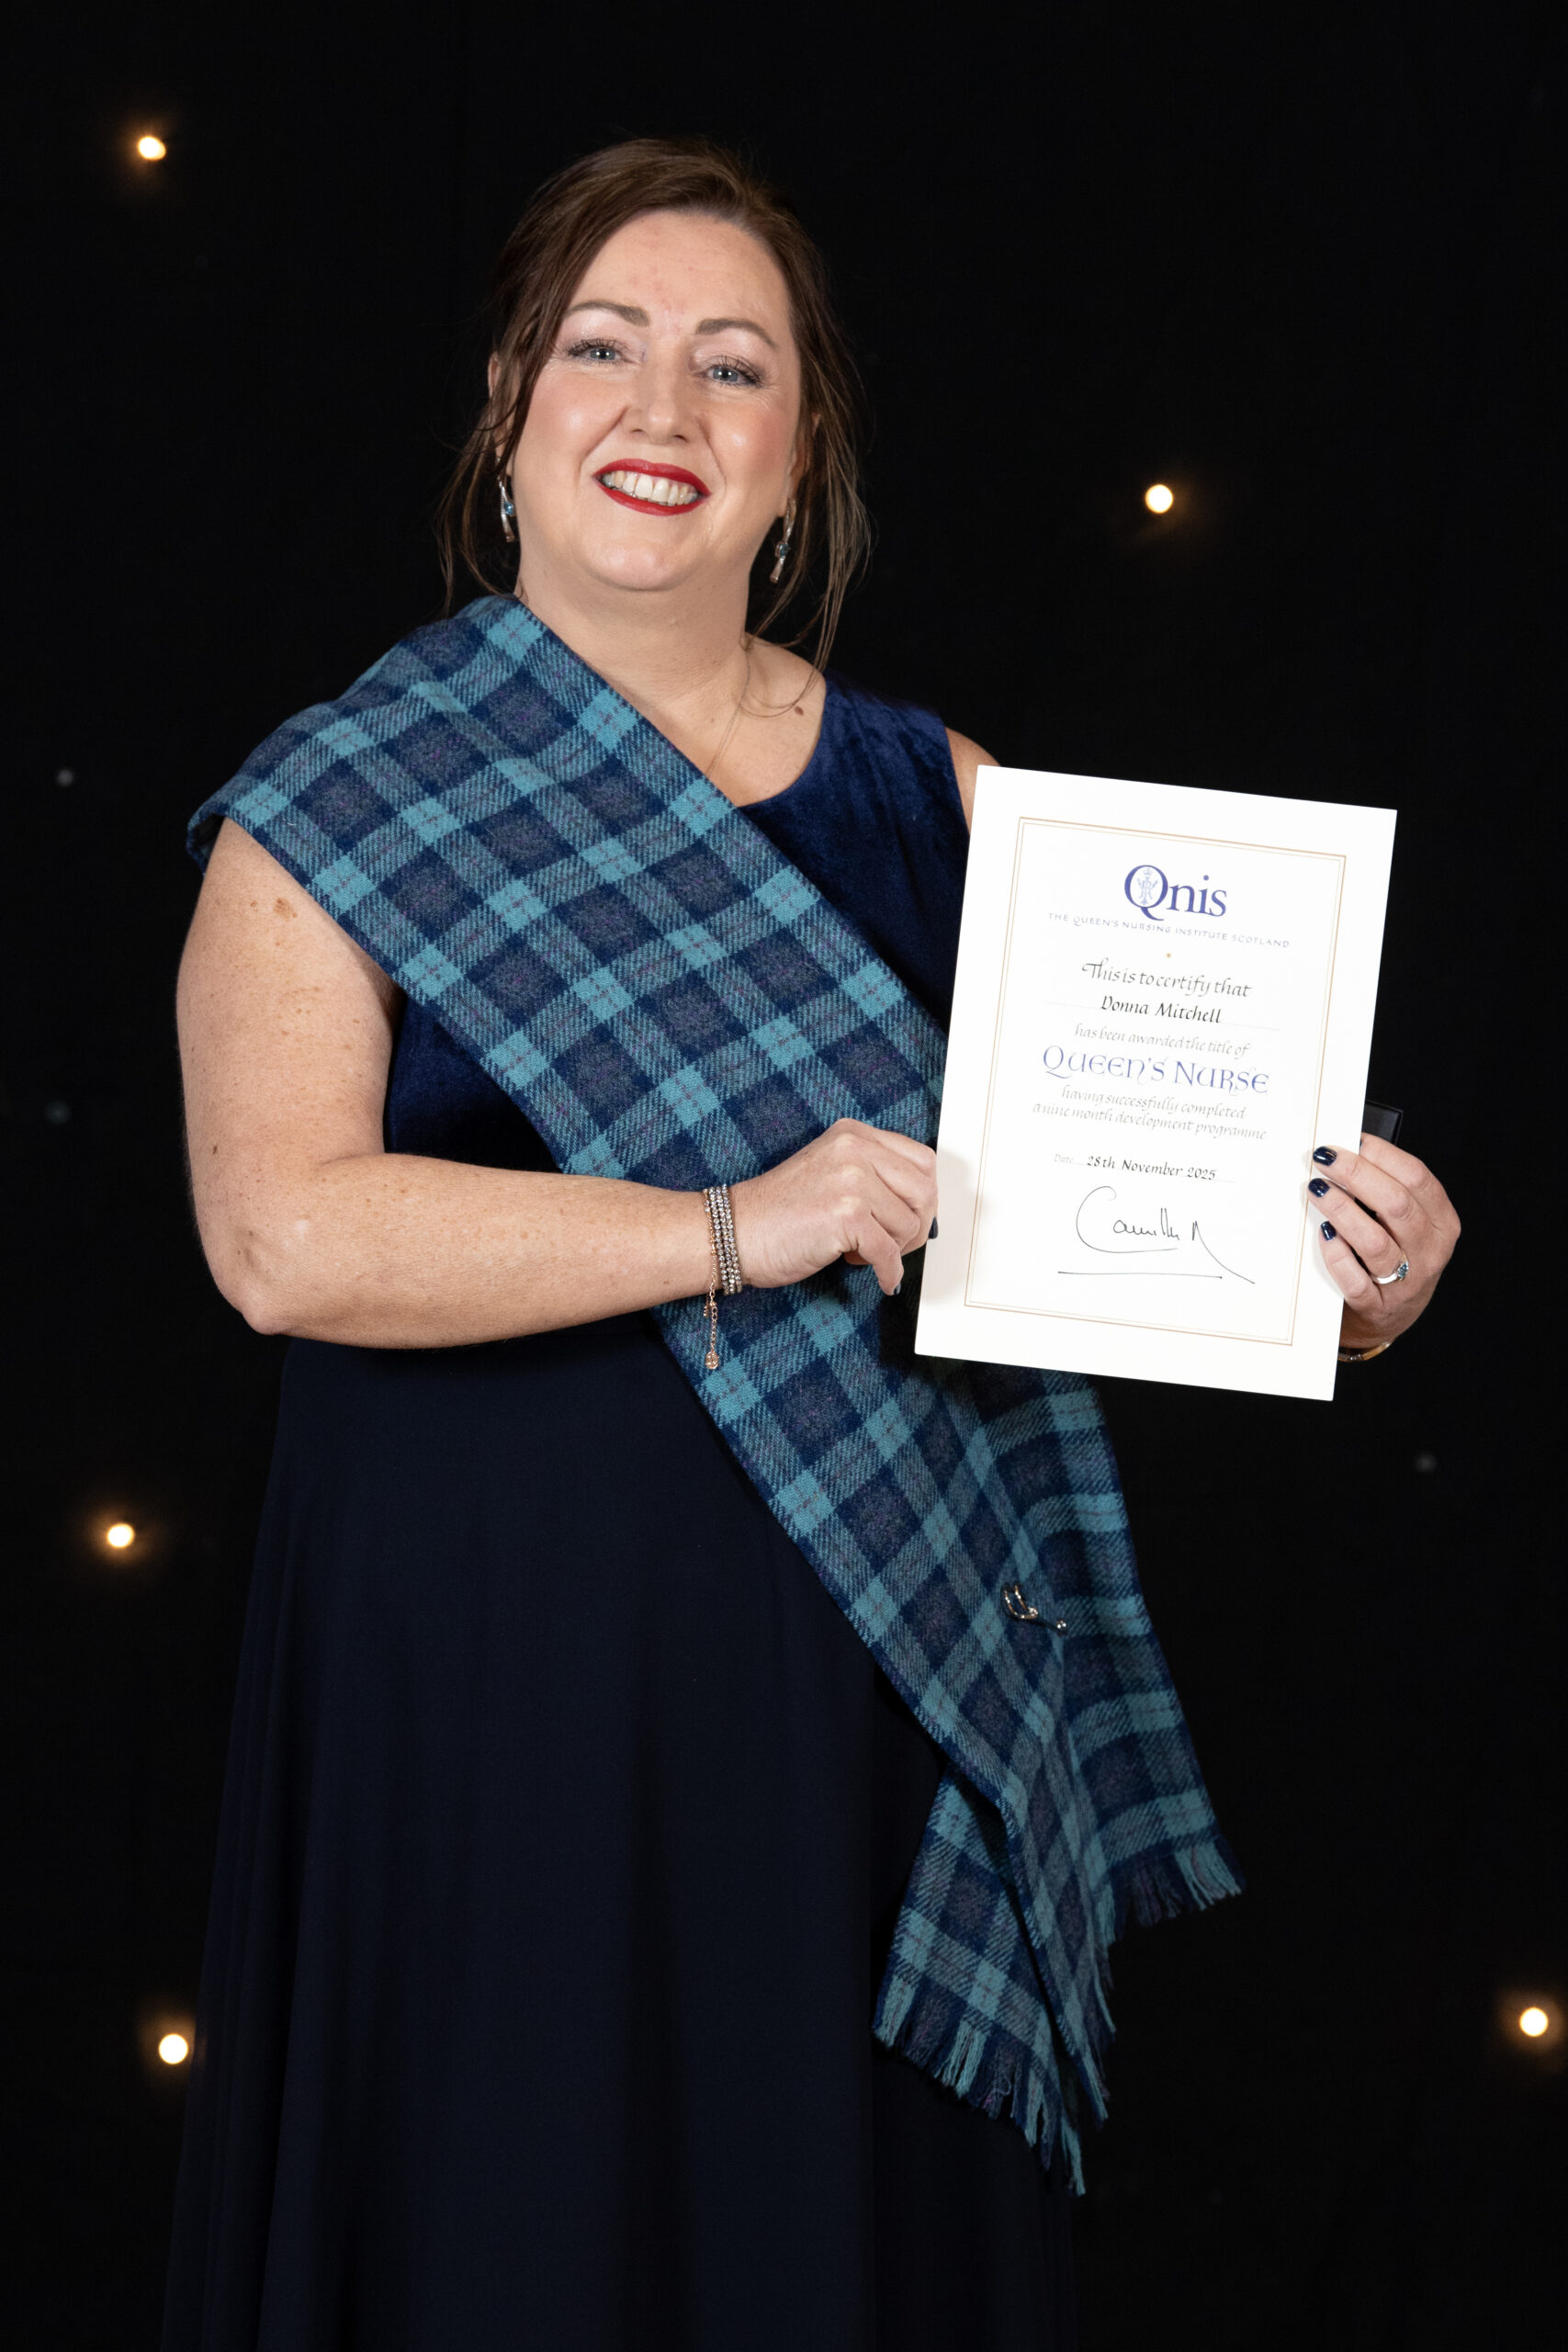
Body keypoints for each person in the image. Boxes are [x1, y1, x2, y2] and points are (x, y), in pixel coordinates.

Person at [164, 138, 1459, 2352]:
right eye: (602, 348)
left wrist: (1344, 1274)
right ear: (507, 409)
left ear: (795, 460)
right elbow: (284, 1236)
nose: (657, 409)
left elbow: (1107, 1201)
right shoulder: (343, 801)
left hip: (856, 1710)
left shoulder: (932, 794)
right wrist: (729, 1224)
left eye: (729, 367)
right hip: (491, 1704)